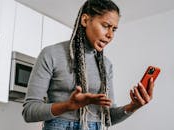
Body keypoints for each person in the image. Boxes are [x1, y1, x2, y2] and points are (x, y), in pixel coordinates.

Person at [22, 0, 155, 130]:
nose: (110, 35)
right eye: (105, 25)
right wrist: (68, 105)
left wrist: (133, 106)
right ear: (85, 20)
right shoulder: (51, 54)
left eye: (114, 29)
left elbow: (108, 118)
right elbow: (29, 111)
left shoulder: (106, 65)